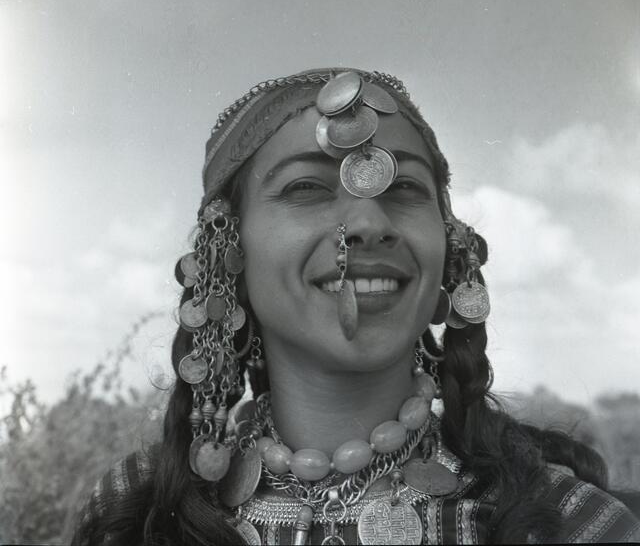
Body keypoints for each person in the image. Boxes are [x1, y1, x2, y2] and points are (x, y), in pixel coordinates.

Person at [72, 68, 640, 545]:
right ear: (227, 248)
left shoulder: (563, 521)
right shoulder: (136, 510)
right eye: (307, 189)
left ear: (451, 246)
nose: (369, 224)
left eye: (404, 189)